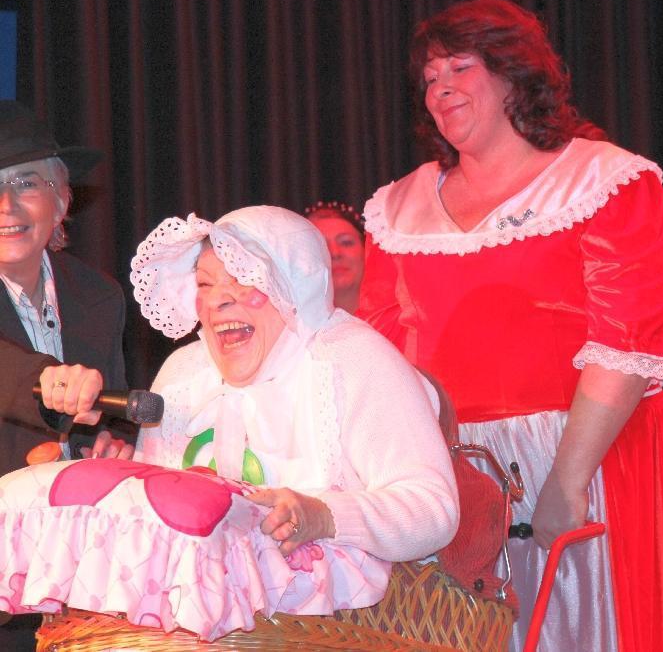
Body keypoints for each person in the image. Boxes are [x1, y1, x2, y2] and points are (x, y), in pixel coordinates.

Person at [358, 0, 663, 651]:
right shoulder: (398, 207)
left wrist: (567, 481)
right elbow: (374, 360)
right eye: (430, 78)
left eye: (459, 68)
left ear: (512, 73)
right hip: (452, 475)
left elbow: (625, 343)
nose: (440, 90)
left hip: (584, 453)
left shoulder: (604, 181)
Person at [129, 205, 458, 586]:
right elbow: (146, 515)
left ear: (292, 284)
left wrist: (323, 515)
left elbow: (432, 510)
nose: (218, 300)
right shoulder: (183, 374)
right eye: (204, 284)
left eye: (242, 278)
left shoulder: (351, 359)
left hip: (344, 618)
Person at [0, 102, 134, 648]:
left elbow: (115, 414)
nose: (6, 205)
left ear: (61, 201)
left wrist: (112, 444)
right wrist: (49, 381)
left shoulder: (99, 294)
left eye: (26, 182)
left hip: (81, 585)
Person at [304, 200, 365, 313]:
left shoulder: (398, 317)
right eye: (321, 245)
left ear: (365, 250)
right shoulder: (287, 322)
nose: (334, 253)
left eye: (346, 242)